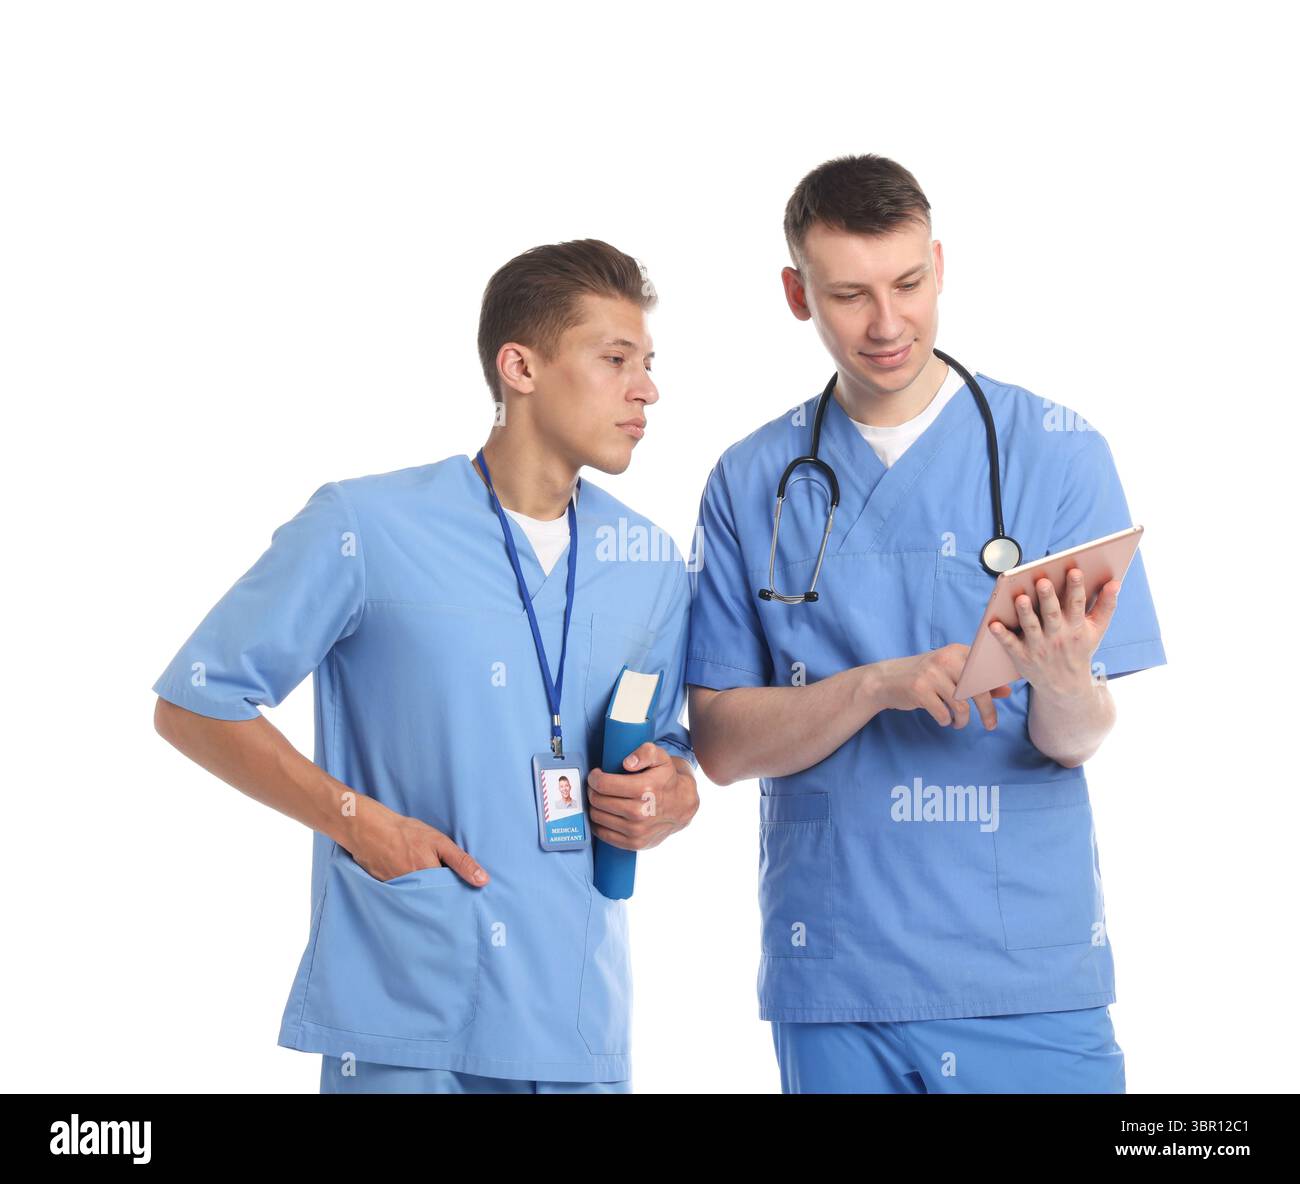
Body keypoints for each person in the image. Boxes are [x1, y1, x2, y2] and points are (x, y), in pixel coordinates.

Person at [152, 239, 699, 1094]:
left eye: (649, 364)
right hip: (406, 1015)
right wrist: (356, 821)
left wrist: (670, 794)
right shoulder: (367, 527)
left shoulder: (651, 564)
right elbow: (196, 702)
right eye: (616, 359)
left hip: (576, 1025)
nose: (647, 389)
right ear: (520, 367)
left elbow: (668, 750)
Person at [686, 154, 1166, 1094]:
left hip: (1024, 975)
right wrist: (877, 686)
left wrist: (1066, 682)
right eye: (849, 295)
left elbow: (1076, 739)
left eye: (908, 284)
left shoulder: (1057, 452)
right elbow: (721, 746)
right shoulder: (750, 479)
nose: (886, 323)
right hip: (836, 976)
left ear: (940, 267)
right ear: (797, 294)